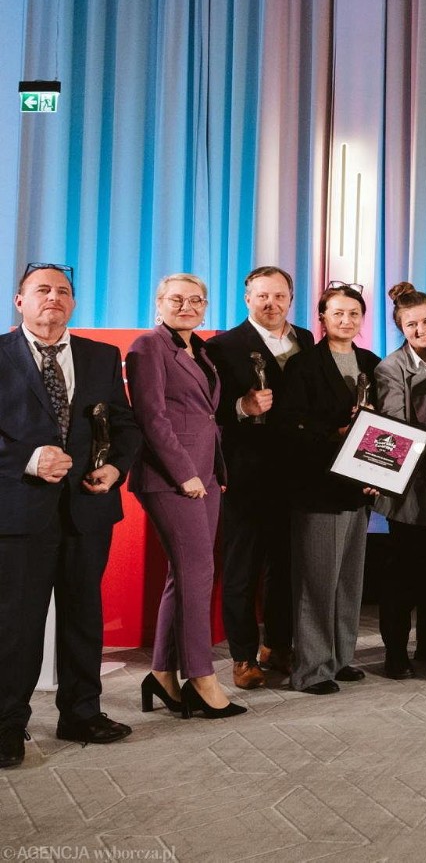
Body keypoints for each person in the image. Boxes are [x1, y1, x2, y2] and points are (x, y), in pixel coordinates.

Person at [0, 264, 141, 768]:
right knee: (17, 623)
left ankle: (81, 713)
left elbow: (125, 425)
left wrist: (116, 469)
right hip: (19, 510)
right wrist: (29, 460)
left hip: (88, 507)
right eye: (42, 290)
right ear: (19, 301)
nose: (53, 298)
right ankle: (7, 725)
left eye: (63, 291)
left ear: (74, 303)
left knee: (84, 616)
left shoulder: (101, 356)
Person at [126, 274, 245, 720]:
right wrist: (185, 474)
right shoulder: (148, 346)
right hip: (173, 477)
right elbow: (151, 417)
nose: (187, 306)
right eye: (177, 299)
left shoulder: (200, 349)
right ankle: (200, 677)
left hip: (206, 474)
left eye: (196, 300)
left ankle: (162, 674)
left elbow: (205, 416)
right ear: (159, 303)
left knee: (185, 575)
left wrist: (215, 471)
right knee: (197, 573)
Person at [208, 266, 315, 688]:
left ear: (291, 299)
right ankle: (242, 656)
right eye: (262, 296)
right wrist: (242, 407)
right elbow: (206, 409)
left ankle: (278, 645)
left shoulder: (306, 339)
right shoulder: (221, 347)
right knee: (243, 568)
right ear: (247, 298)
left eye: (279, 296)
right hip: (246, 475)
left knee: (286, 566)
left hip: (297, 473)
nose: (271, 304)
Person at [277, 283, 381, 695]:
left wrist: (378, 475)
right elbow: (290, 426)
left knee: (349, 581)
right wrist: (338, 432)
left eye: (353, 313)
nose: (346, 320)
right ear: (322, 317)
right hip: (318, 487)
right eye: (337, 313)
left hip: (359, 488)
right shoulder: (303, 365)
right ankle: (312, 669)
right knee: (317, 582)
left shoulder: (371, 363)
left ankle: (340, 658)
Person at [372, 282, 426, 679]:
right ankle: (396, 652)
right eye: (412, 324)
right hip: (412, 486)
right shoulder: (390, 368)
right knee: (404, 574)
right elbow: (396, 427)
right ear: (401, 327)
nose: (422, 330)